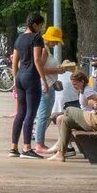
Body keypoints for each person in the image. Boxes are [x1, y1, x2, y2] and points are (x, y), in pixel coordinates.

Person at [48, 65, 97, 162]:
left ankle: (60, 144)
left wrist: (94, 105)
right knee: (66, 120)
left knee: (69, 110)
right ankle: (60, 153)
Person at [9, 11, 48, 158]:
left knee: (20, 113)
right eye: (40, 25)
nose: (41, 29)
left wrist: (15, 78)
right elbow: (37, 60)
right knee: (31, 113)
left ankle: (13, 148)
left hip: (20, 77)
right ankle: (26, 148)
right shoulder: (37, 37)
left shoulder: (19, 39)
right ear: (35, 24)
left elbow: (14, 61)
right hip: (32, 77)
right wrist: (43, 80)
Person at [32, 26, 74, 155]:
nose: (56, 44)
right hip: (46, 85)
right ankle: (39, 144)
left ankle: (40, 142)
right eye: (55, 41)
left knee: (43, 114)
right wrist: (58, 70)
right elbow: (41, 69)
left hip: (48, 84)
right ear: (49, 39)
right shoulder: (44, 50)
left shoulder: (46, 49)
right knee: (44, 115)